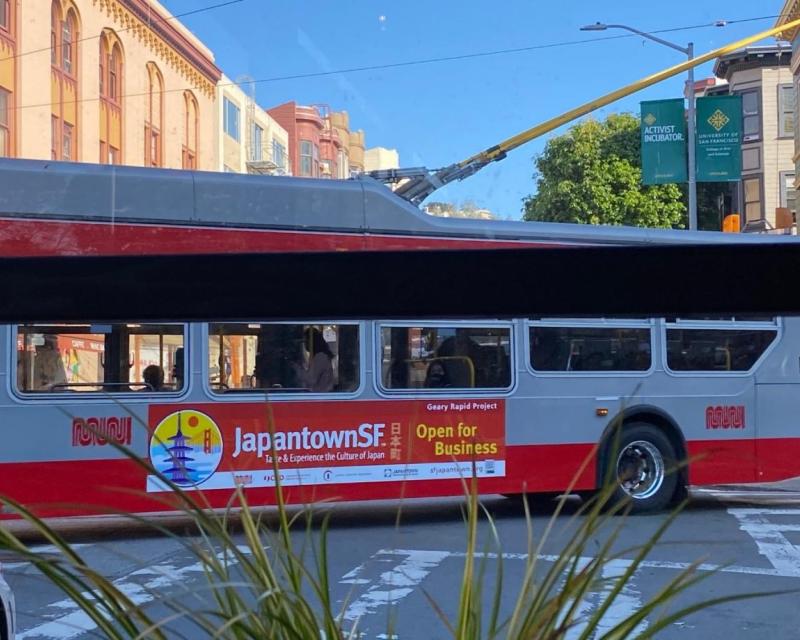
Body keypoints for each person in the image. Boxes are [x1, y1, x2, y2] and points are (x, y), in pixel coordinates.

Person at [293, 327, 334, 392]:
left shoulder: (320, 357)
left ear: (312, 341)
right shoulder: (318, 356)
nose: (305, 344)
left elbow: (311, 379)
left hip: (321, 395)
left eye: (306, 341)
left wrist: (296, 368)